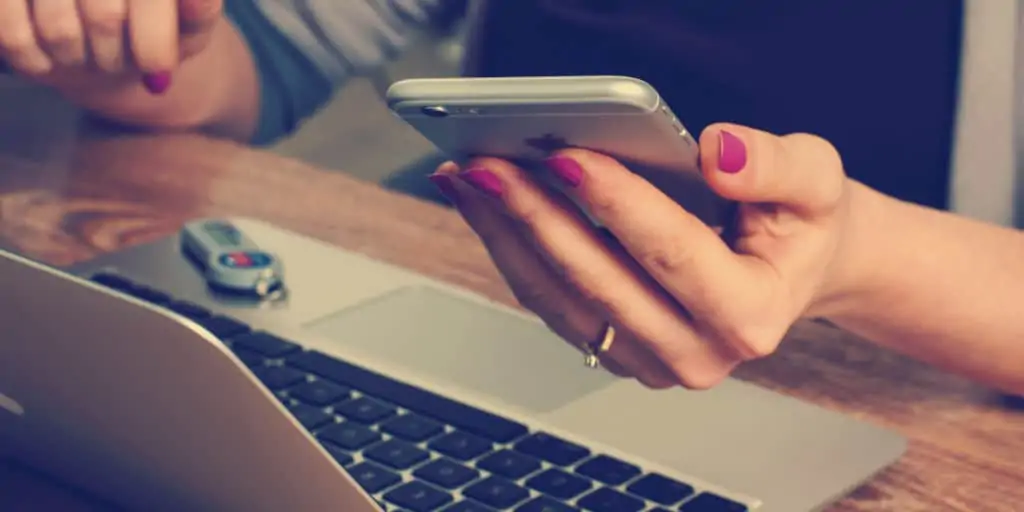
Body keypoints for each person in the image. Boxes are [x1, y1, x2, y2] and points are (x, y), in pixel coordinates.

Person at [2, 0, 1022, 394]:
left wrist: (854, 257)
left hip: (906, 401)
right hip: (479, 330)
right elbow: (261, 58)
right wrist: (130, 41)